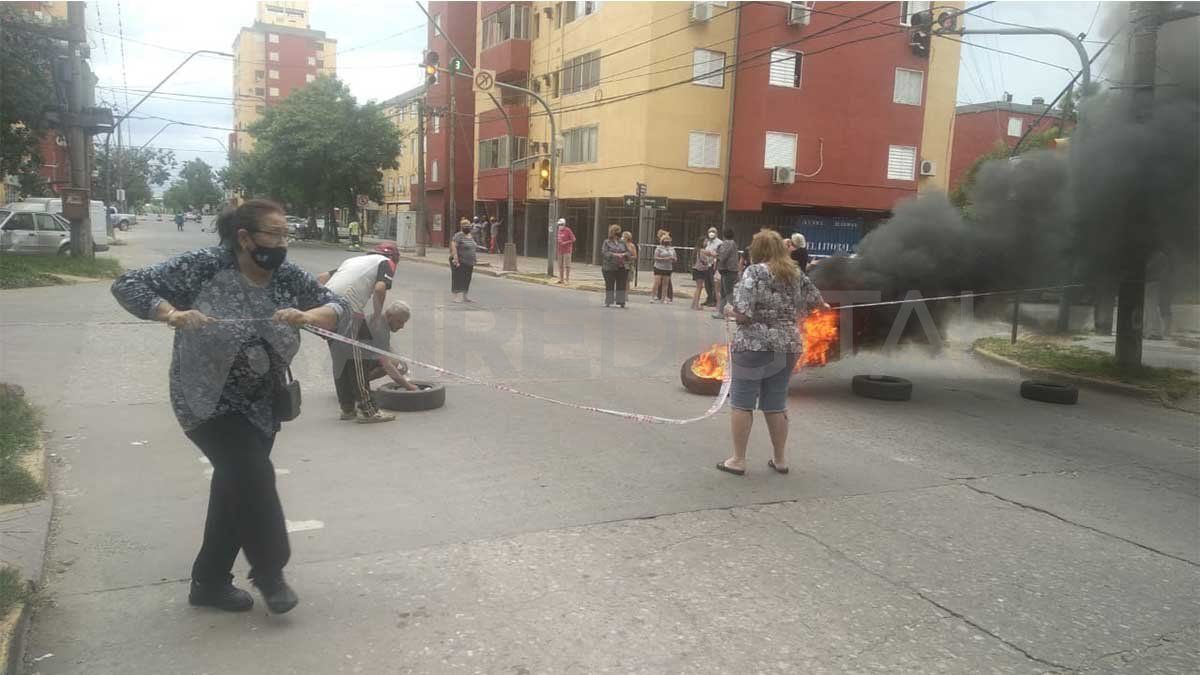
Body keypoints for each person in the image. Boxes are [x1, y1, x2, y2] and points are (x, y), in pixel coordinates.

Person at [110, 199, 349, 614]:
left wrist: (309, 314)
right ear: (243, 238)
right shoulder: (203, 266)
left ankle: (209, 581)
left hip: (262, 402)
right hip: (205, 398)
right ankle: (271, 573)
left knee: (235, 486)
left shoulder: (286, 276)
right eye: (273, 234)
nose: (282, 243)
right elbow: (128, 285)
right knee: (253, 475)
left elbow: (338, 306)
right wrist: (171, 313)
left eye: (284, 235)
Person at [716, 229, 829, 478]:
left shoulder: (754, 272)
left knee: (742, 403)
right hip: (788, 346)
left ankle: (738, 460)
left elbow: (744, 313)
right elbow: (819, 304)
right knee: (776, 404)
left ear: (757, 250)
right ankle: (779, 459)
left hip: (754, 346)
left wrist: (728, 311)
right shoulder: (797, 273)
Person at [318, 242, 402, 423]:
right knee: (360, 360)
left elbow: (321, 278)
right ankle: (368, 411)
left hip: (327, 310)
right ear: (394, 258)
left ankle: (347, 409)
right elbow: (380, 288)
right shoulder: (385, 262)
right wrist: (378, 317)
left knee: (340, 359)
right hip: (349, 311)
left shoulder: (353, 261)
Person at [330, 301, 417, 420]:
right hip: (353, 357)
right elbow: (387, 365)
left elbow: (383, 346)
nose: (402, 326)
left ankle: (348, 408)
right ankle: (368, 411)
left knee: (393, 361)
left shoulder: (377, 320)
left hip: (342, 354)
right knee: (387, 364)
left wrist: (399, 358)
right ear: (390, 316)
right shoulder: (380, 328)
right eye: (400, 322)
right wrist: (409, 386)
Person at [712, 228, 740, 319]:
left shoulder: (727, 243)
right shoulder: (733, 243)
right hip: (729, 270)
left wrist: (715, 255)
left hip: (728, 270)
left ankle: (732, 313)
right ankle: (721, 312)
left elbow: (723, 256)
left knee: (729, 292)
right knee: (724, 292)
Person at [601, 225, 630, 308]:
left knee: (621, 284)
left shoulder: (622, 242)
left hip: (621, 266)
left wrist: (624, 255)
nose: (618, 233)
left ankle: (621, 301)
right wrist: (614, 255)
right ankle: (609, 301)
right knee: (609, 284)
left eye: (619, 231)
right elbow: (605, 253)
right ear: (612, 232)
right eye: (616, 231)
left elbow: (628, 253)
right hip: (609, 267)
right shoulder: (607, 242)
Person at [450, 218, 478, 303]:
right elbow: (454, 246)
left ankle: (465, 296)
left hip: (469, 262)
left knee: (467, 278)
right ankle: (455, 297)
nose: (467, 227)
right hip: (460, 260)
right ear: (461, 227)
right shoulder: (458, 235)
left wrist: (475, 258)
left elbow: (473, 247)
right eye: (465, 225)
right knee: (458, 278)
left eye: (468, 225)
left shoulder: (471, 236)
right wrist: (455, 258)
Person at [652, 234, 677, 303]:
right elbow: (655, 258)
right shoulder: (659, 248)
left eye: (668, 240)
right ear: (662, 241)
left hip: (668, 268)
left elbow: (675, 258)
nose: (667, 241)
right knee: (657, 282)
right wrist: (665, 259)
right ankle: (653, 296)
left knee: (665, 284)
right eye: (665, 240)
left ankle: (663, 298)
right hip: (659, 267)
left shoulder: (672, 249)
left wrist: (673, 259)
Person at [690, 234, 712, 311]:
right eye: (705, 241)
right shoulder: (702, 251)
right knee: (699, 288)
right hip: (700, 270)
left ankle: (694, 304)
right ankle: (696, 305)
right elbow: (707, 259)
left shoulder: (697, 250)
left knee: (698, 287)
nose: (706, 243)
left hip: (696, 269)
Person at [701, 227, 721, 306]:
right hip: (706, 265)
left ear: (716, 233)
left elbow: (719, 254)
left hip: (714, 265)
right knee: (707, 283)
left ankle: (714, 300)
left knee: (714, 283)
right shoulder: (707, 242)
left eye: (713, 231)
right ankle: (709, 298)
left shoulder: (719, 243)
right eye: (710, 231)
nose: (711, 233)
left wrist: (712, 254)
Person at [556, 218, 576, 284]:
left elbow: (573, 239)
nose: (560, 226)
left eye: (561, 224)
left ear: (564, 224)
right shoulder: (558, 231)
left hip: (567, 251)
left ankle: (567, 279)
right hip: (560, 250)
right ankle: (561, 279)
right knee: (560, 265)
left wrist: (565, 242)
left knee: (567, 265)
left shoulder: (568, 230)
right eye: (559, 224)